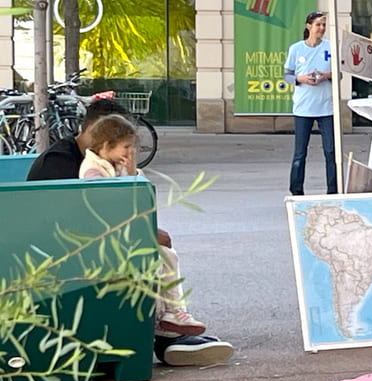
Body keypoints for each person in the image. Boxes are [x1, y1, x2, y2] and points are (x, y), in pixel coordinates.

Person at [26, 98, 234, 364]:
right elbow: (77, 219)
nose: (127, 151)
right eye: (123, 144)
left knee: (158, 250)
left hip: (85, 241)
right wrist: (142, 231)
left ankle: (168, 329)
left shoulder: (102, 159)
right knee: (150, 250)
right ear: (99, 133)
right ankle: (165, 334)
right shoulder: (62, 163)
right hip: (59, 249)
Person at [285, 11, 336, 196]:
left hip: (326, 107)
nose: (321, 28)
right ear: (309, 26)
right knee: (300, 152)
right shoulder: (296, 49)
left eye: (324, 25)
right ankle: (296, 189)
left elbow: (339, 74)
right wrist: (300, 78)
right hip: (303, 107)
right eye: (318, 25)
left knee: (331, 152)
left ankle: (333, 188)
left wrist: (326, 76)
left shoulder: (331, 47)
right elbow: (287, 75)